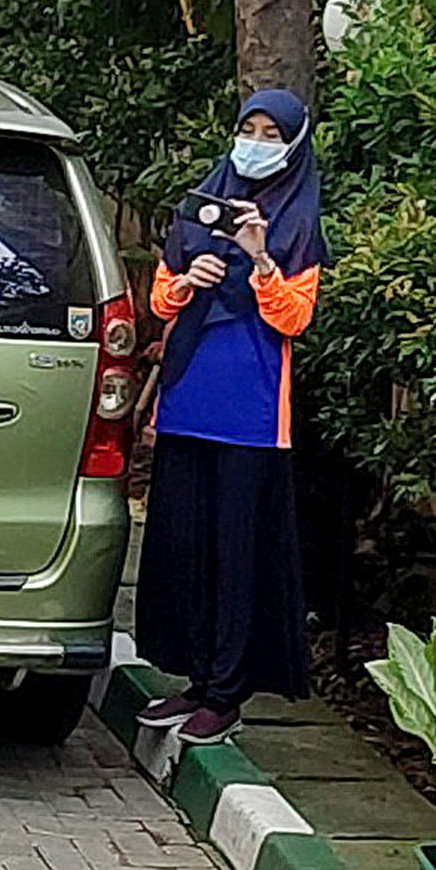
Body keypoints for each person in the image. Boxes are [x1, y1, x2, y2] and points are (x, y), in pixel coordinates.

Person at [138, 89, 324, 745]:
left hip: (251, 415)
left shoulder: (299, 221)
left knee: (237, 553)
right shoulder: (200, 204)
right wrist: (190, 278)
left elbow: (294, 318)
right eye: (250, 128)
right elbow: (160, 300)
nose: (258, 141)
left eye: (274, 133)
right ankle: (193, 680)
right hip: (189, 399)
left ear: (296, 145)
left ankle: (227, 692)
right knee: (186, 547)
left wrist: (262, 258)